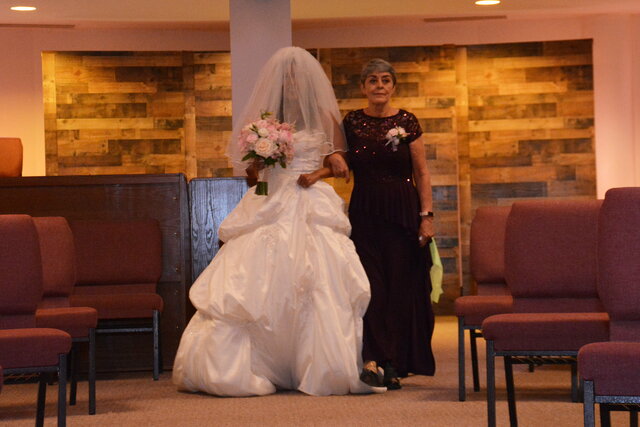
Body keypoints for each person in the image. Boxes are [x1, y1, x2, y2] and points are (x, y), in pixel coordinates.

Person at [172, 46, 382, 397]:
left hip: (310, 200)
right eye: (287, 79)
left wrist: (316, 174)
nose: (292, 84)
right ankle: (252, 364)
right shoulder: (265, 122)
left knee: (318, 281)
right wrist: (257, 162)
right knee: (255, 278)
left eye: (297, 78)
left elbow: (340, 166)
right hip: (271, 199)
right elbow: (254, 179)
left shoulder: (324, 118)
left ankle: (315, 364)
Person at [341, 58, 436, 390]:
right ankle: (373, 359)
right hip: (365, 212)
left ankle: (393, 362)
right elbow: (338, 156)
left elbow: (422, 172)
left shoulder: (407, 120)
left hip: (402, 212)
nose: (379, 86)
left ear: (393, 86)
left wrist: (426, 217)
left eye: (385, 80)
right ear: (364, 87)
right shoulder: (351, 121)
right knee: (371, 289)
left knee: (398, 288)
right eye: (372, 81)